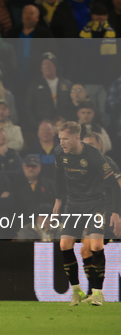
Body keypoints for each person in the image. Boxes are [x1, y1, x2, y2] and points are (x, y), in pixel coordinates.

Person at [52, 122, 121, 306]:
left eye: (65, 139)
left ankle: (98, 293)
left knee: (96, 246)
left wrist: (116, 212)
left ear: (76, 138)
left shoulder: (94, 156)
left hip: (95, 205)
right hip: (73, 205)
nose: (62, 143)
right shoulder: (59, 153)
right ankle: (77, 291)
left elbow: (115, 185)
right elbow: (58, 177)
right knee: (65, 245)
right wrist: (58, 199)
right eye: (60, 139)